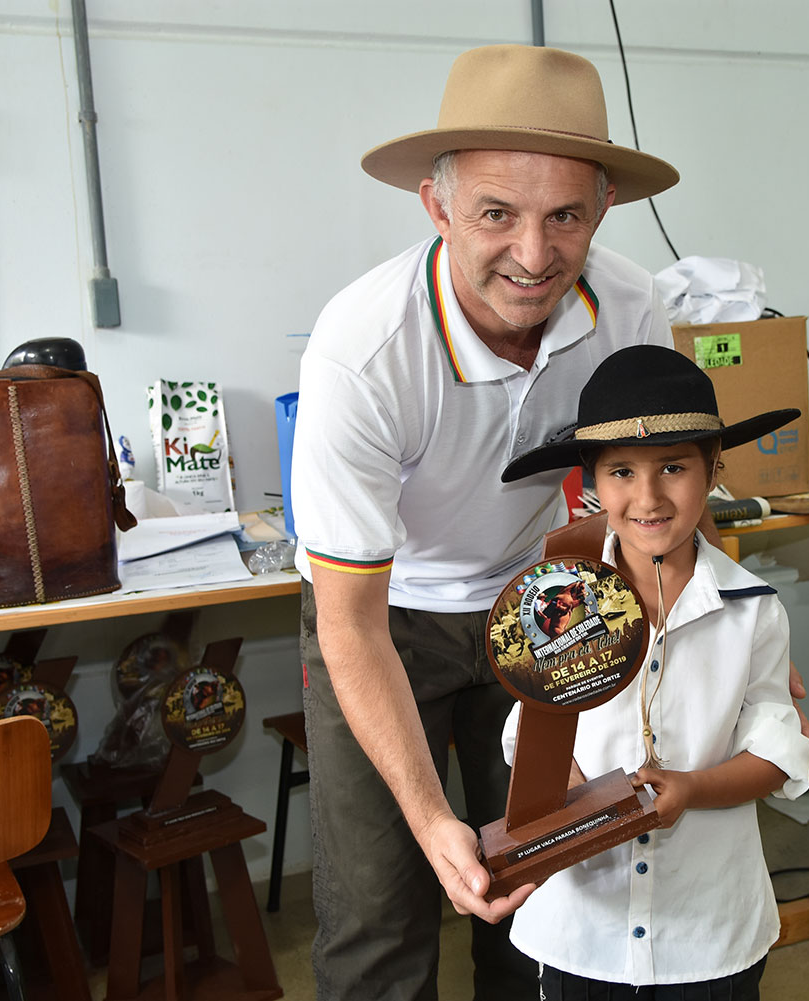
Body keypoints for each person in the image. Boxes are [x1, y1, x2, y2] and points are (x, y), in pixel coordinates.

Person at [290, 44, 683, 1001]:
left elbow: (656, 509)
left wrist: (726, 640)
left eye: (567, 217)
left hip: (537, 600)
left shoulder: (634, 311)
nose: (534, 255)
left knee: (537, 883)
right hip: (387, 620)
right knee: (386, 909)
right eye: (497, 214)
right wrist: (430, 820)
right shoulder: (364, 351)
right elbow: (349, 621)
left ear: (603, 211)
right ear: (437, 207)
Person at [498, 344, 809, 998]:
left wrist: (691, 789)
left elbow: (779, 750)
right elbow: (527, 735)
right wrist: (573, 797)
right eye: (621, 472)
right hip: (583, 931)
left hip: (708, 933)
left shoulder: (753, 614)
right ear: (591, 483)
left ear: (713, 469)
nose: (648, 497)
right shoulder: (556, 603)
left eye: (673, 467)